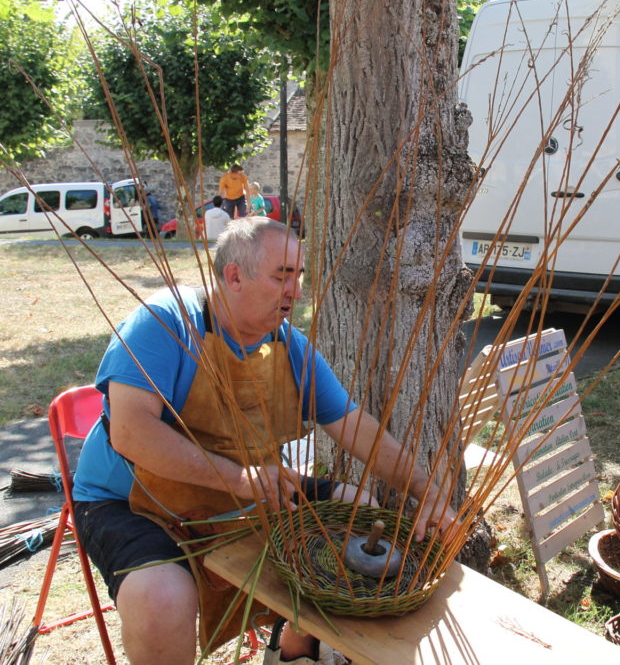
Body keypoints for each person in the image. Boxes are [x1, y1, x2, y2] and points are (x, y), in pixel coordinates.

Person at [72, 218, 456, 665]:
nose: (295, 290)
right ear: (234, 275)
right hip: (130, 502)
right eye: (282, 275)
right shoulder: (166, 322)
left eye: (299, 276)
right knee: (162, 596)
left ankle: (295, 647)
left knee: (356, 508)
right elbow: (131, 434)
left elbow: (357, 428)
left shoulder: (290, 348)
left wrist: (425, 490)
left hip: (240, 492)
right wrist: (238, 478)